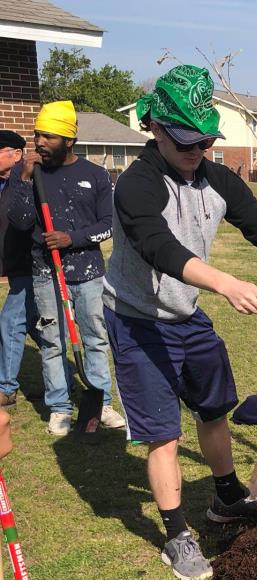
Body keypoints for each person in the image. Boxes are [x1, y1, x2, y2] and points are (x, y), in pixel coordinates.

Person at [104, 65, 257, 580]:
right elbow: (157, 246)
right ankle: (177, 535)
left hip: (187, 316)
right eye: (186, 141)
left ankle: (226, 497)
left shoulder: (217, 179)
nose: (197, 151)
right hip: (137, 321)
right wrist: (225, 283)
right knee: (163, 436)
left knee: (215, 410)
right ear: (156, 128)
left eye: (205, 140)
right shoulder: (138, 184)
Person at [6, 102, 125, 435]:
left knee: (95, 339)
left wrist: (70, 238)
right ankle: (59, 407)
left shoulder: (94, 174)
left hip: (87, 273)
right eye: (37, 135)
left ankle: (100, 402)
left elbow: (109, 224)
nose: (40, 142)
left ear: (69, 140)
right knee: (52, 340)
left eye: (49, 136)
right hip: (45, 273)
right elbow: (19, 221)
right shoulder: (27, 172)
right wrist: (26, 180)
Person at [0, 130, 38, 408]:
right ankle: (65, 379)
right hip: (13, 265)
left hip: (31, 263)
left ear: (16, 154)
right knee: (39, 326)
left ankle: (6, 388)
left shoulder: (26, 179)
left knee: (11, 322)